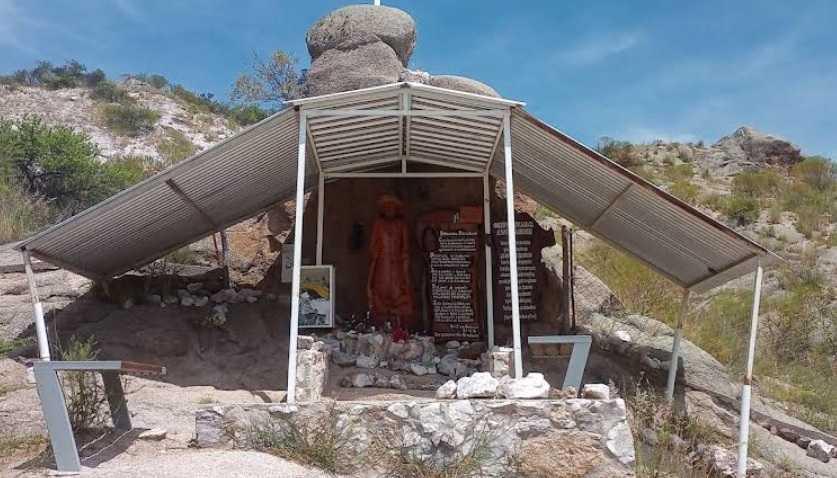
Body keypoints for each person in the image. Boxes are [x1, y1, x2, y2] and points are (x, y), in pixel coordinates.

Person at [367, 194, 415, 335]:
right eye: (387, 207)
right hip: (382, 265)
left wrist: (405, 270)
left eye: (392, 207)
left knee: (399, 293)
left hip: (397, 266)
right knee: (380, 292)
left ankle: (400, 327)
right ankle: (381, 327)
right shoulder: (378, 224)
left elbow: (405, 248)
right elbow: (373, 246)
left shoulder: (401, 225)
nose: (390, 210)